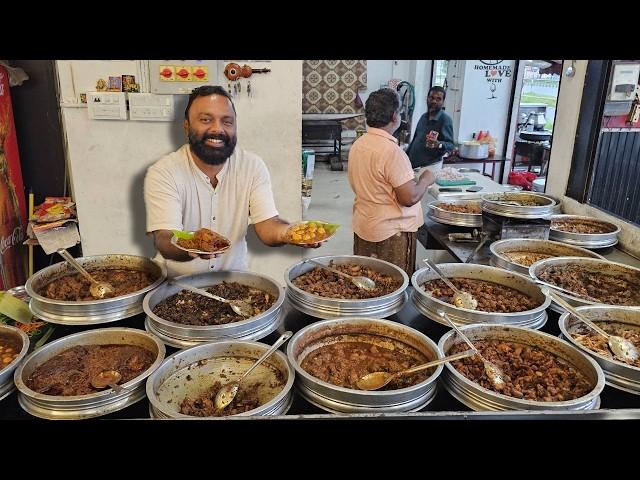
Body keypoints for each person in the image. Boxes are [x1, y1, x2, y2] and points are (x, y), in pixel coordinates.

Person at [144, 85, 316, 277]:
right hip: (175, 284)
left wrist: (290, 233)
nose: (217, 129)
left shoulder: (252, 166)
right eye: (205, 120)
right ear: (187, 126)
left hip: (234, 283)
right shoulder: (164, 172)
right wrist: (194, 248)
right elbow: (165, 237)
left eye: (227, 121)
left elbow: (267, 225)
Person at [347, 88, 435, 276]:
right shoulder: (392, 152)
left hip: (365, 225)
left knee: (367, 282)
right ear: (395, 116)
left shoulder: (359, 144)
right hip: (391, 234)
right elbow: (409, 198)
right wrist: (425, 180)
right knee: (392, 287)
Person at [407, 86, 455, 172]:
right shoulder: (423, 117)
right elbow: (415, 140)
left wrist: (438, 144)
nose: (434, 101)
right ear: (427, 98)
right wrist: (405, 157)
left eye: (438, 99)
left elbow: (451, 145)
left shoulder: (445, 120)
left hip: (429, 168)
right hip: (413, 166)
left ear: (443, 102)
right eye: (431, 98)